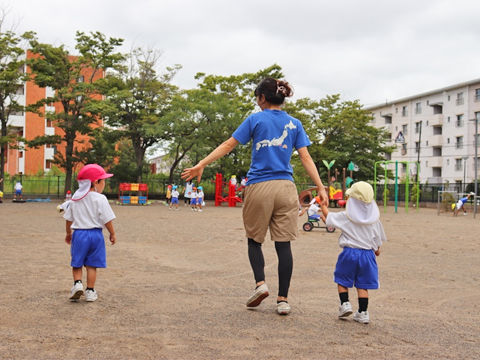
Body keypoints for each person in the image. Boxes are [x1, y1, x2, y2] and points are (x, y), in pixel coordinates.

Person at [182, 77, 328, 316]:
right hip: (286, 188)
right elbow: (306, 158)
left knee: (254, 240)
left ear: (262, 98)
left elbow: (228, 145)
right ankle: (283, 300)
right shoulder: (295, 123)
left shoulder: (255, 119)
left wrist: (201, 163)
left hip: (259, 186)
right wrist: (320, 187)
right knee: (284, 246)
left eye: (257, 99)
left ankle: (260, 285)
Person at [319, 181, 387, 324]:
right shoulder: (375, 221)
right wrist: (377, 250)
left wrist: (323, 204)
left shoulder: (346, 216)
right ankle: (363, 312)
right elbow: (378, 244)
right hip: (368, 255)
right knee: (363, 285)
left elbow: (329, 216)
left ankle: (345, 304)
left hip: (349, 253)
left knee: (342, 280)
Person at [63, 164, 117, 302]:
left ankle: (77, 284)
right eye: (103, 181)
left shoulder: (75, 198)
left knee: (77, 263)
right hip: (96, 235)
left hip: (79, 234)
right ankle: (90, 291)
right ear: (95, 182)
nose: (104, 184)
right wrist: (112, 233)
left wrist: (68, 233)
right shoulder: (100, 198)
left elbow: (69, 218)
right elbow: (107, 219)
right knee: (92, 264)